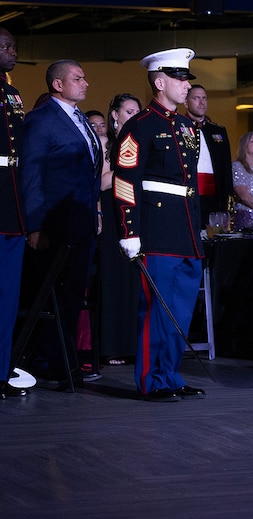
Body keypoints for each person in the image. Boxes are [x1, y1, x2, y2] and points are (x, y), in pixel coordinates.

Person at [113, 48, 206, 402]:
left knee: (180, 311)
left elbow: (190, 185)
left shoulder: (185, 127)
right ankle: (151, 380)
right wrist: (130, 230)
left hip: (185, 229)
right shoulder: (140, 126)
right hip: (156, 228)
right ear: (159, 81)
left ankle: (169, 374)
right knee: (157, 309)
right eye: (180, 79)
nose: (186, 86)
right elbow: (126, 179)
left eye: (187, 79)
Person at [20, 58, 102, 387]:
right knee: (50, 295)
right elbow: (31, 175)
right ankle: (49, 361)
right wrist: (35, 225)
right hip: (55, 224)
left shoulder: (79, 118)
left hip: (82, 222)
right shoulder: (41, 120)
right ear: (58, 84)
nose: (85, 83)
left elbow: (91, 171)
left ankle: (62, 361)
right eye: (78, 78)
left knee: (72, 297)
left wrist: (95, 211)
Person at [98, 93, 143, 366]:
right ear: (114, 114)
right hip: (113, 210)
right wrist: (127, 171)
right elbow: (101, 182)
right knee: (114, 279)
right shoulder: (106, 144)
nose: (134, 116)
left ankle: (133, 344)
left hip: (136, 212)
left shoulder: (138, 141)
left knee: (134, 280)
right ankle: (112, 345)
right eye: (129, 111)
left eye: (137, 112)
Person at [0, 27, 28, 399]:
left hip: (14, 199)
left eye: (13, 46)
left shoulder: (12, 93)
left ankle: (2, 370)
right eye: (4, 46)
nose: (12, 52)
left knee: (8, 296)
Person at [185, 84, 233, 226]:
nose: (202, 102)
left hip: (215, 198)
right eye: (196, 98)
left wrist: (228, 204)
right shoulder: (181, 128)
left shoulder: (217, 130)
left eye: (204, 98)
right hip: (190, 197)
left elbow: (226, 169)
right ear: (186, 102)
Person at [231, 131, 253, 230]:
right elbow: (244, 195)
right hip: (247, 218)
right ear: (244, 145)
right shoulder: (237, 166)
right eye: (252, 141)